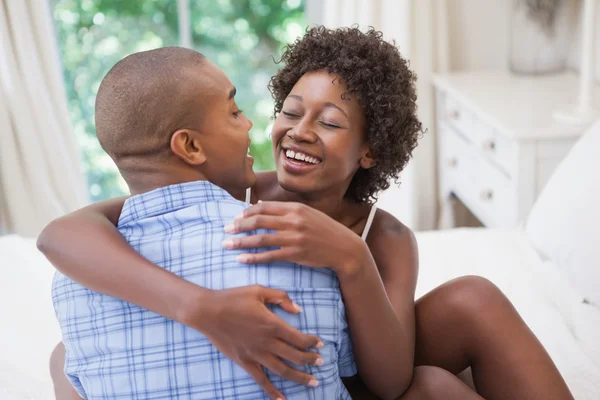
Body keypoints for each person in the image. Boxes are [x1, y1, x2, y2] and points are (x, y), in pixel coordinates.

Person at [39, 27, 574, 400]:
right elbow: (62, 235)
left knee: (468, 308)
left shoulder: (382, 235)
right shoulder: (236, 190)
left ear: (370, 151)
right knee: (66, 353)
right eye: (291, 111)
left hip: (351, 377)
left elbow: (390, 380)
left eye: (331, 122)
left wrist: (351, 259)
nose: (299, 130)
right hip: (267, 375)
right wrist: (200, 308)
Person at [48, 46, 358, 400]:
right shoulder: (302, 252)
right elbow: (359, 375)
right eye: (235, 112)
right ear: (191, 146)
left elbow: (57, 233)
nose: (250, 123)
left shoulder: (73, 279)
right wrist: (200, 307)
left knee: (61, 358)